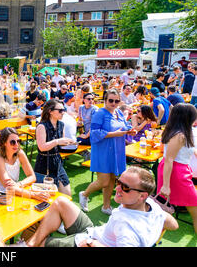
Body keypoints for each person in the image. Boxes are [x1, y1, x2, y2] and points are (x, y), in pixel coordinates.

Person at [25, 166, 178, 247]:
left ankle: (31, 244)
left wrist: (93, 243)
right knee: (61, 202)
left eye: (125, 187)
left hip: (88, 242)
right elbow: (174, 224)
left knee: (35, 239)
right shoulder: (151, 205)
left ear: (142, 195)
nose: (117, 189)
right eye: (119, 182)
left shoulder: (126, 227)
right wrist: (153, 233)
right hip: (94, 231)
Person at [79, 89, 136, 215]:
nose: (114, 103)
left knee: (111, 179)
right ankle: (84, 194)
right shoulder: (100, 113)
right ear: (105, 100)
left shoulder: (118, 113)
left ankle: (106, 206)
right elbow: (94, 134)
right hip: (103, 150)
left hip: (117, 150)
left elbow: (124, 125)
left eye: (116, 101)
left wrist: (130, 130)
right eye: (111, 100)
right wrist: (114, 134)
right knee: (103, 181)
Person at [157, 103, 197, 233]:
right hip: (176, 172)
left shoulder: (183, 132)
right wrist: (166, 185)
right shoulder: (180, 135)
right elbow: (169, 159)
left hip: (179, 171)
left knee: (163, 209)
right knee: (193, 206)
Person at [34, 99, 75, 196]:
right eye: (60, 110)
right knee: (46, 198)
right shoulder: (42, 126)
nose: (63, 112)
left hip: (57, 162)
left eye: (64, 109)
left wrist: (68, 142)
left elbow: (60, 144)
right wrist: (57, 141)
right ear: (50, 111)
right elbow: (42, 147)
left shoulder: (61, 124)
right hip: (44, 164)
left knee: (67, 195)